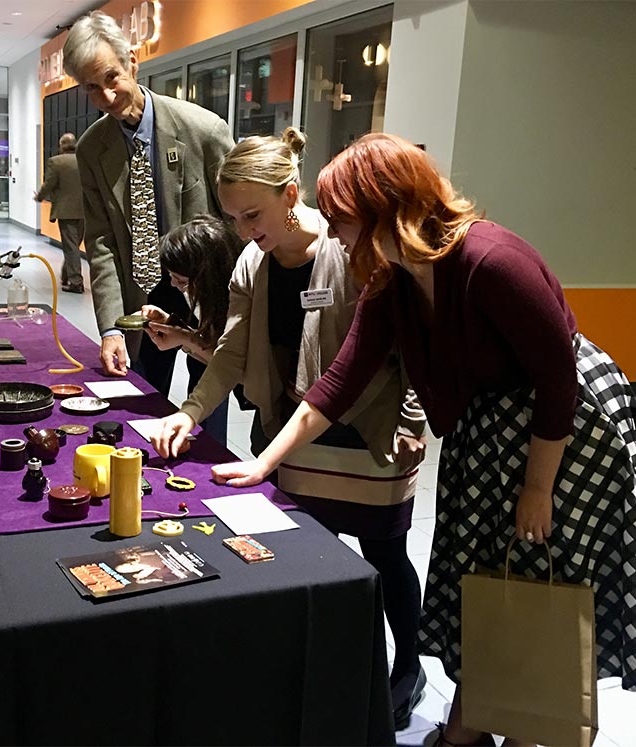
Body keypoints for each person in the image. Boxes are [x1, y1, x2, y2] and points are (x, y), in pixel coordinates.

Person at [212, 132, 636, 746]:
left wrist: (538, 488)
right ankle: (478, 717)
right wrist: (264, 463)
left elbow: (556, 381)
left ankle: (524, 726)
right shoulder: (391, 277)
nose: (332, 235)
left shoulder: (493, 261)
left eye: (341, 220)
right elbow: (338, 382)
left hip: (565, 434)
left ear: (386, 207)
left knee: (548, 580)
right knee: (490, 574)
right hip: (488, 429)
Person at [151, 127, 430, 731]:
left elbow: (409, 345)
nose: (246, 230)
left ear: (291, 192)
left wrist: (412, 417)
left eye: (254, 213)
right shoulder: (253, 261)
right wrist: (191, 410)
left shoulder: (351, 246)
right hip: (288, 426)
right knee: (303, 550)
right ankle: (322, 666)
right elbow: (230, 349)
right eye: (235, 218)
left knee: (384, 551)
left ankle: (407, 664)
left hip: (371, 427)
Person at [61, 11, 235, 433]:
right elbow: (101, 242)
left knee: (207, 416)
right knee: (138, 407)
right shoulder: (92, 149)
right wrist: (109, 329)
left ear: (132, 63)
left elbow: (238, 226)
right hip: (142, 301)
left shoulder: (203, 129)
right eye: (90, 88)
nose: (105, 95)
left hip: (206, 297)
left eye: (111, 77)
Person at [141, 215, 245, 438]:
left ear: (208, 276)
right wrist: (174, 328)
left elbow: (232, 365)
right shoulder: (211, 293)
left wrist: (185, 339)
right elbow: (215, 349)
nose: (174, 285)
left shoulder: (241, 300)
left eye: (180, 280)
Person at [34, 132, 85, 293]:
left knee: (71, 247)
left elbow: (49, 183)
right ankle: (66, 275)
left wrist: (39, 197)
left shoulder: (55, 162)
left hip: (66, 211)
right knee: (74, 246)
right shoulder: (84, 161)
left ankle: (76, 282)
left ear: (61, 145)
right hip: (85, 210)